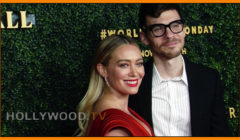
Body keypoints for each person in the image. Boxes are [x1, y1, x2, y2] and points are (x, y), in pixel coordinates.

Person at [129, 4, 230, 136]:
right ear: (144, 38)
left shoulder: (209, 79)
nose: (170, 35)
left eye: (176, 25)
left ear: (184, 30)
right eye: (158, 29)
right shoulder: (134, 82)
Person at [76, 35, 154, 136]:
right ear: (102, 70)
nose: (134, 73)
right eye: (124, 65)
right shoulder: (116, 129)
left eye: (139, 64)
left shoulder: (111, 111)